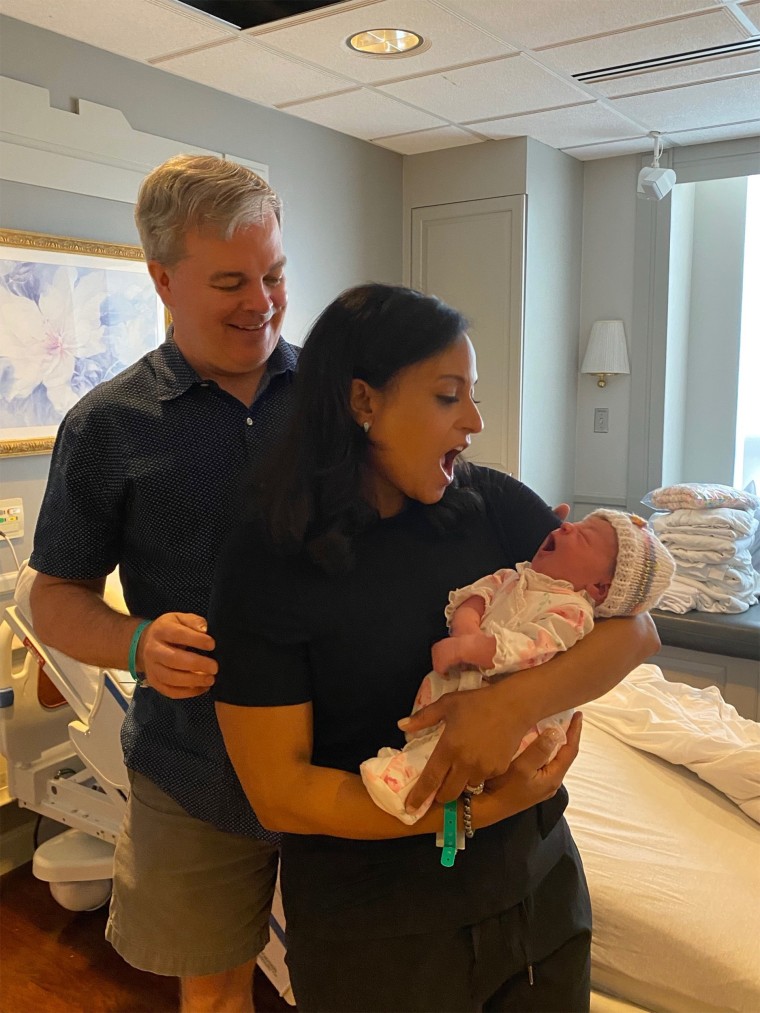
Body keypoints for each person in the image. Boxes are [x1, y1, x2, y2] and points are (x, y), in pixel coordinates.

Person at [209, 283, 659, 1012]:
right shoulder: (270, 559)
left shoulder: (490, 506)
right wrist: (481, 808)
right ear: (364, 402)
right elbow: (279, 789)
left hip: (537, 905)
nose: (476, 421)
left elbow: (636, 629)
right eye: (450, 396)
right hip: (381, 941)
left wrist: (511, 707)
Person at [28, 154, 297, 1012]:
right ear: (162, 279)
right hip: (194, 767)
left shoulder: (345, 398)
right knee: (214, 994)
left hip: (348, 751)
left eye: (275, 273)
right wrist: (137, 642)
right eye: (231, 281)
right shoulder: (106, 426)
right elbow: (53, 597)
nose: (261, 301)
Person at [362, 510, 675, 823]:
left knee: (477, 745)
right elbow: (476, 595)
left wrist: (473, 647)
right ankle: (414, 755)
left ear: (600, 589)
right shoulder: (514, 577)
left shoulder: (572, 611)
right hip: (469, 678)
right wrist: (466, 627)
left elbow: (532, 647)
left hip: (520, 718)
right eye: (576, 523)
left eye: (584, 536)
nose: (566, 526)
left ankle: (405, 783)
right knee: (436, 706)